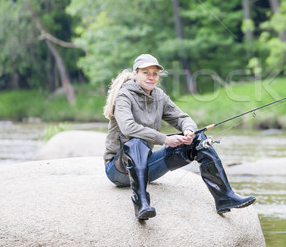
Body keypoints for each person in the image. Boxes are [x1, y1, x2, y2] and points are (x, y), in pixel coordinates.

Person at [103, 54, 255, 220]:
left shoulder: (159, 96)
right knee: (136, 142)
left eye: (154, 73)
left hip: (146, 168)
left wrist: (189, 130)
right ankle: (142, 205)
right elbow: (128, 128)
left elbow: (182, 118)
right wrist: (165, 139)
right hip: (118, 170)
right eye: (146, 72)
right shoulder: (124, 95)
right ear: (135, 74)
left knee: (199, 139)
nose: (151, 77)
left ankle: (225, 198)